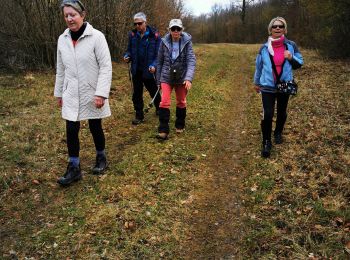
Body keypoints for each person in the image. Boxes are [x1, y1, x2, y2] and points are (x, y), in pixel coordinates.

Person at [54, 0, 112, 185]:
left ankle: (101, 157)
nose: (70, 19)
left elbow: (105, 66)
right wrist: (59, 93)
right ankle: (74, 167)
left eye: (73, 14)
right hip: (71, 92)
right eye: (66, 15)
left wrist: (101, 93)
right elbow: (60, 69)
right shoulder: (62, 40)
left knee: (95, 125)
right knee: (71, 128)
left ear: (83, 15)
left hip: (92, 91)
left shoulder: (96, 37)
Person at [254, 17, 303, 158]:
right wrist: (256, 82)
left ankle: (278, 133)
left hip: (284, 85)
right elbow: (259, 67)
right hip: (267, 86)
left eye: (280, 26)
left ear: (284, 29)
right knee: (267, 114)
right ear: (270, 29)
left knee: (282, 111)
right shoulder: (263, 48)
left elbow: (300, 63)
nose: (277, 28)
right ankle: (266, 142)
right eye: (274, 26)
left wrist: (291, 58)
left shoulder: (291, 45)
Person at [156, 19, 196, 140]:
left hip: (181, 77)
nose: (176, 31)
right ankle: (163, 129)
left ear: (181, 30)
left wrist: (188, 78)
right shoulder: (163, 42)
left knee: (181, 101)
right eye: (173, 29)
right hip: (166, 77)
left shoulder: (187, 42)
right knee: (164, 102)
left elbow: (191, 61)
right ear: (169, 30)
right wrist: (158, 81)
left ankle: (180, 124)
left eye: (178, 29)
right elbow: (159, 62)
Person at [123, 12, 161, 125]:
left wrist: (154, 65)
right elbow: (129, 50)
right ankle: (139, 115)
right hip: (136, 69)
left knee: (153, 90)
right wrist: (127, 56)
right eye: (135, 24)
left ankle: (160, 108)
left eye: (140, 23)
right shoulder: (132, 35)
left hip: (149, 70)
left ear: (145, 22)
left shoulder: (155, 36)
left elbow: (159, 55)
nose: (137, 26)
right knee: (137, 93)